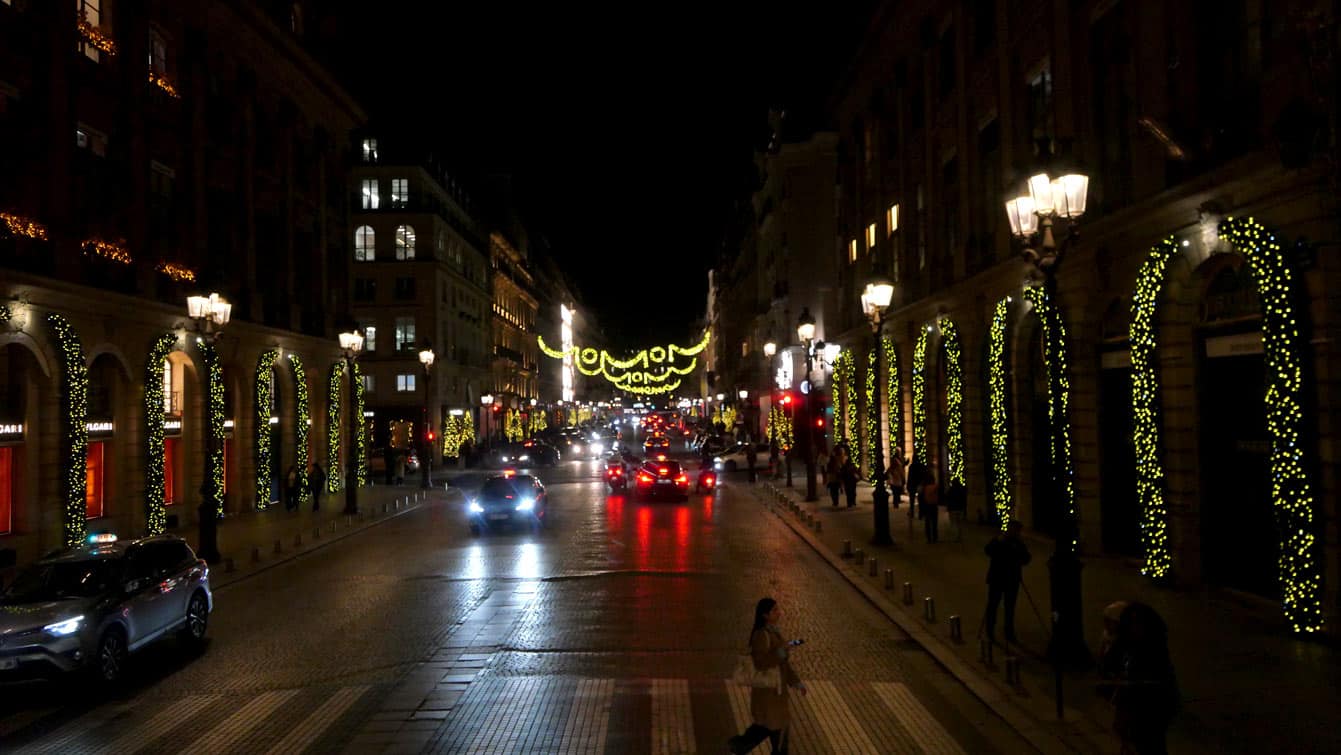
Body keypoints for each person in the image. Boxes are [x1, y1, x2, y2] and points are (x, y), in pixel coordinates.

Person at [1098, 602, 1179, 755]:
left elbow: (1156, 684)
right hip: (1132, 707)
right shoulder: (1123, 643)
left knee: (1150, 744)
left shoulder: (1153, 651)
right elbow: (1110, 666)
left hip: (1151, 708)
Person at [728, 598, 805, 754]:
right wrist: (782, 652)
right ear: (765, 615)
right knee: (773, 729)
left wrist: (795, 682)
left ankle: (739, 745)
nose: (779, 612)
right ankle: (739, 745)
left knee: (770, 728)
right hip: (768, 694)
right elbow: (761, 662)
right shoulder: (761, 635)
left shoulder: (773, 632)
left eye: (778, 609)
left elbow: (783, 665)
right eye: (774, 610)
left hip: (776, 693)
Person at [983, 520, 1031, 644]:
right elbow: (988, 550)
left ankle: (1009, 631)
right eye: (1014, 530)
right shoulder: (999, 540)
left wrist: (1019, 556)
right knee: (993, 605)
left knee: (1009, 607)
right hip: (997, 579)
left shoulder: (1018, 543)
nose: (1016, 533)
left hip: (1012, 580)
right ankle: (990, 630)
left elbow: (1026, 559)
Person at [920, 467, 941, 543]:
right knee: (934, 522)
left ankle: (929, 538)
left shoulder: (925, 488)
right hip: (934, 505)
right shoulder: (935, 487)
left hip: (927, 505)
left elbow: (921, 497)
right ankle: (935, 537)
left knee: (928, 522)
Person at [945, 478, 968, 542]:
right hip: (960, 508)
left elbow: (948, 499)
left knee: (954, 523)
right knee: (959, 523)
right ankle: (959, 536)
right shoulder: (961, 489)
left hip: (952, 509)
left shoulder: (950, 490)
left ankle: (956, 537)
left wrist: (948, 508)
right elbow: (964, 498)